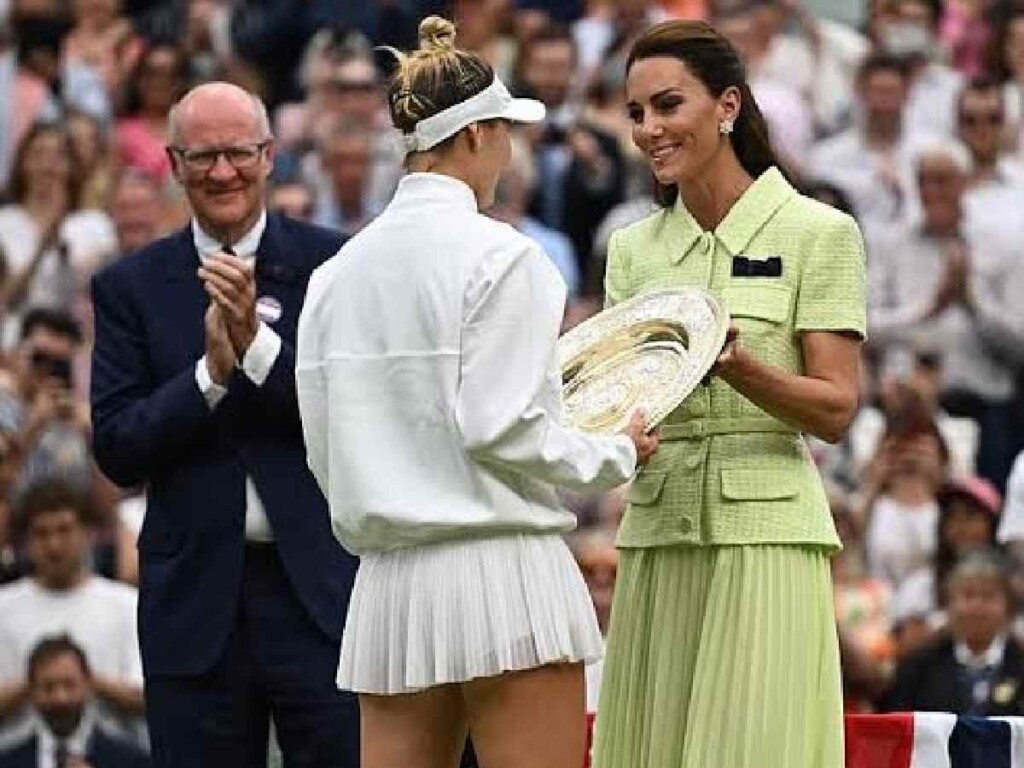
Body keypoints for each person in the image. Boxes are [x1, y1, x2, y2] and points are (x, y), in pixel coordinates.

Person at [296, 16, 657, 768]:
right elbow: (503, 425)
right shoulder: (507, 258)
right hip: (504, 570)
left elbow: (325, 450)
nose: (508, 149)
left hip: (390, 582)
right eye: (504, 131)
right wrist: (614, 452)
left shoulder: (332, 278)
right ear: (473, 137)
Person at [592, 20, 866, 768]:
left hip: (767, 538)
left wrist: (743, 369)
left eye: (668, 105)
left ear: (728, 106)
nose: (650, 129)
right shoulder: (631, 248)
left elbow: (837, 409)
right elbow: (616, 403)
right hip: (656, 535)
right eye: (637, 112)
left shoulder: (822, 232)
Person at [89, 81, 360, 767]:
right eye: (202, 156)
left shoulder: (334, 265)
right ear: (174, 165)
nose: (222, 173)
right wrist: (208, 377)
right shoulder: (132, 286)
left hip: (318, 592)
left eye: (238, 153)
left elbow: (354, 416)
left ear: (269, 156)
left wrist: (258, 352)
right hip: (194, 601)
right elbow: (118, 448)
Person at [0, 480, 144, 746]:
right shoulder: (3, 608)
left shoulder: (127, 605)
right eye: (41, 533)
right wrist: (42, 680)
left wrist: (81, 678)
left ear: (88, 533)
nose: (54, 545)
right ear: (25, 541)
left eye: (64, 530)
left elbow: (146, 698)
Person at [879, 551, 1024, 716]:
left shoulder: (1019, 661)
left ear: (1008, 607)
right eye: (968, 596)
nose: (977, 606)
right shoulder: (919, 667)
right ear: (949, 604)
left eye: (988, 596)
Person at [0, 636, 150, 768]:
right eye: (48, 687)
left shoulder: (130, 760)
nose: (60, 698)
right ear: (31, 690)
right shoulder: (7, 762)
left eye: (69, 685)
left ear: (88, 684)